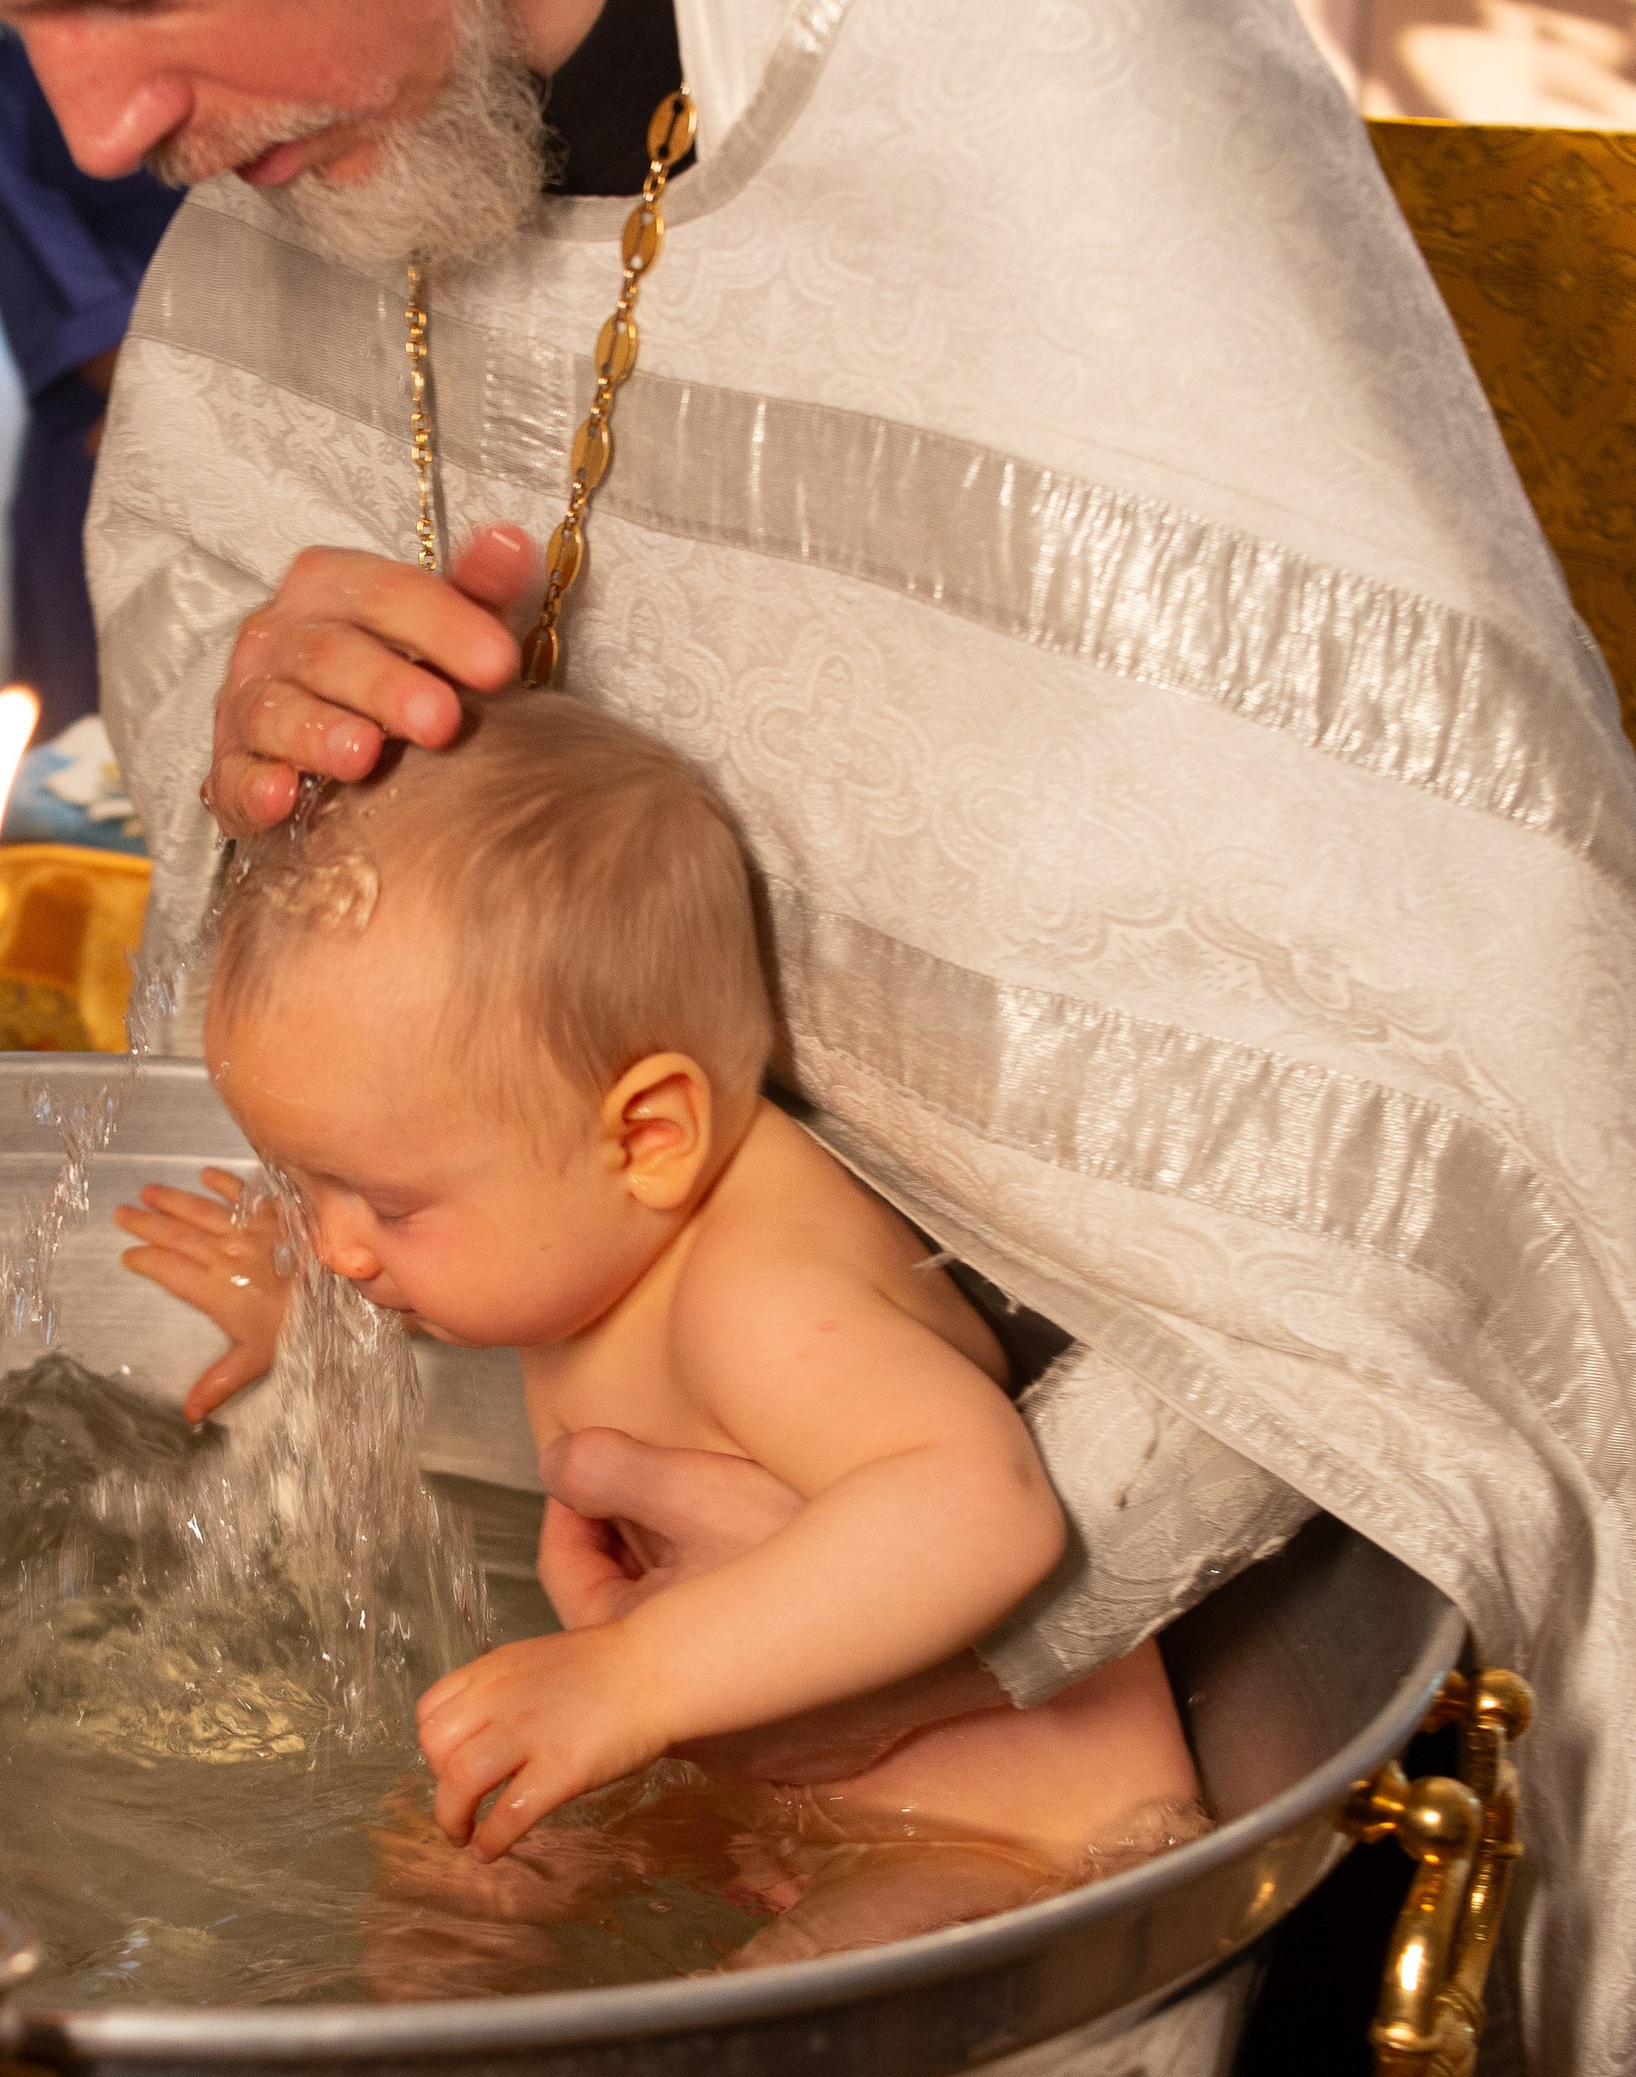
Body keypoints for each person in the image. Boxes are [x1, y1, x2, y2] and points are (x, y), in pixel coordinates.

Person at [0, 0, 1634, 2077]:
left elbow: (1423, 1083)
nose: (96, 137)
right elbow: (398, 931)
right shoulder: (311, 124)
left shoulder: (1018, 67)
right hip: (627, 1519)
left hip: (1138, 1738)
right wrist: (274, 744)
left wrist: (879, 1613)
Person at [152, 687, 1206, 1950]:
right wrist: (308, 1316)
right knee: (450, 1877)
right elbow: (503, 1258)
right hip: (780, 1782)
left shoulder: (759, 1294)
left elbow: (981, 1507)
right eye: (300, 1181)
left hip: (1019, 1840)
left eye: (383, 1199)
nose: (336, 1240)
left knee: (762, 2015)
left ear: (648, 1133)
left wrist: (637, 1679)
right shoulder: (582, 1210)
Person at [0, 23, 182, 733]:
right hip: (109, 426)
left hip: (326, 421)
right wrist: (187, 400)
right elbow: (35, 236)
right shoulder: (8, 7)